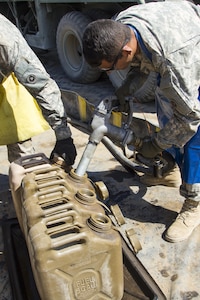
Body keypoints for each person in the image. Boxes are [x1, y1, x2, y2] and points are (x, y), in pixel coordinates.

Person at [82, 1, 200, 243]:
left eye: (110, 68)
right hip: (170, 42)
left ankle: (194, 203)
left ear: (125, 51)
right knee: (165, 108)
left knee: (192, 138)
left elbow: (189, 118)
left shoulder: (174, 59)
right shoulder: (121, 24)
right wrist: (125, 90)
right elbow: (141, 62)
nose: (109, 74)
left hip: (191, 53)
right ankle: (170, 172)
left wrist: (155, 145)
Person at [0, 12, 77, 167]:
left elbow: (41, 85)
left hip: (5, 91)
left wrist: (63, 136)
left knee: (24, 163)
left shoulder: (5, 42)